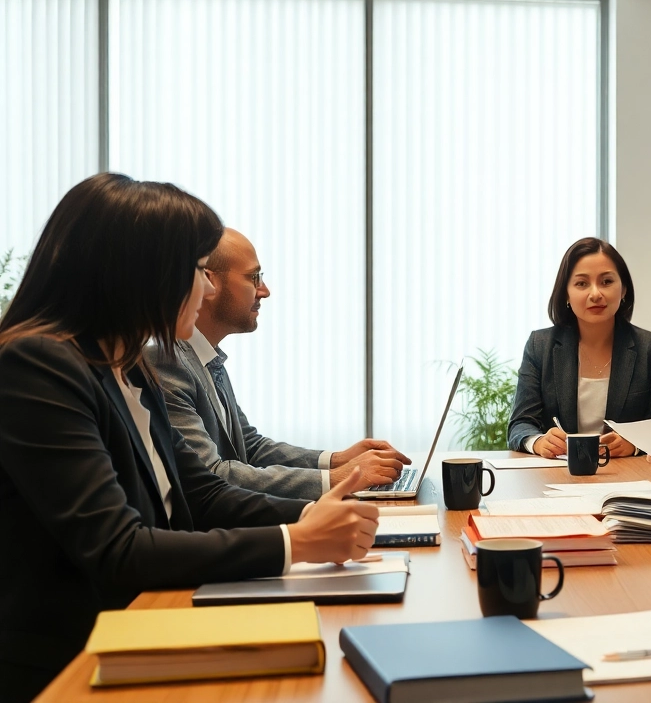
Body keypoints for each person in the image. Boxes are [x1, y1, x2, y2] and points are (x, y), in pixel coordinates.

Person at [0, 173, 380, 702]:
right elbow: (119, 548)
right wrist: (298, 542)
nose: (205, 290)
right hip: (75, 662)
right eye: (200, 271)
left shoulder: (129, 366)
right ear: (144, 273)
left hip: (151, 627)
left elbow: (201, 494)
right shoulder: (37, 365)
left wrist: (314, 517)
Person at [145, 228, 410, 500]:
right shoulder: (166, 362)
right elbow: (212, 474)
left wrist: (337, 460)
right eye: (254, 277)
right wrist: (337, 478)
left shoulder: (207, 357)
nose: (265, 290)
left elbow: (250, 447)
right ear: (209, 281)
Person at [508, 237, 651, 458]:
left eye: (606, 281)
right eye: (582, 283)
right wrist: (538, 442)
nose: (596, 294)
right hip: (557, 475)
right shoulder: (540, 346)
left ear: (623, 289)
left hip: (626, 476)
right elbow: (520, 423)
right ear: (566, 293)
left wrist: (633, 445)